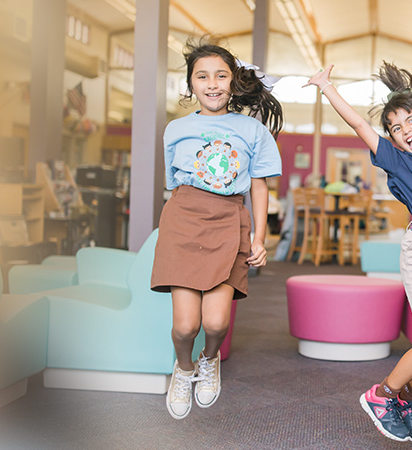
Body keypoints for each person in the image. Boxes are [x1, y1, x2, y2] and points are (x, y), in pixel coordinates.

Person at [309, 18, 412, 444]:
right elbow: (360, 127)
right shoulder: (396, 161)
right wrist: (328, 89)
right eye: (396, 128)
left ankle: (407, 398)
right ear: (393, 141)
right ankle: (381, 394)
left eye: (411, 121)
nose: (405, 130)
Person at [151, 38, 283, 420]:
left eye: (221, 76)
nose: (212, 84)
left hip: (229, 221)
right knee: (184, 326)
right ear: (191, 83)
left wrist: (259, 237)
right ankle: (184, 367)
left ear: (233, 82)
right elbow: (174, 181)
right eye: (203, 76)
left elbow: (259, 184)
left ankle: (210, 359)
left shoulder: (253, 131)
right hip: (183, 219)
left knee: (215, 322)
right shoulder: (175, 129)